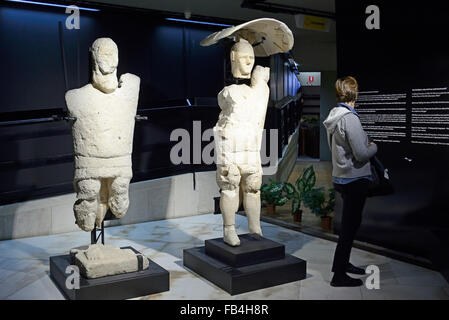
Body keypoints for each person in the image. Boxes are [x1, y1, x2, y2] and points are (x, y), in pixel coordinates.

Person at [323, 76, 377, 287]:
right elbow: (362, 154)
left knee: (349, 225)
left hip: (341, 178)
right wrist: (375, 146)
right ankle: (338, 275)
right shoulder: (350, 118)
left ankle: (344, 265)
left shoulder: (334, 116)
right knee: (349, 227)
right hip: (354, 180)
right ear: (354, 93)